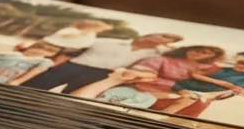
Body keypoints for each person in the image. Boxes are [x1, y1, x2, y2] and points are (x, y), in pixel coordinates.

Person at [20, 32, 184, 93]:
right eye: (162, 36)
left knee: (72, 96)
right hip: (74, 66)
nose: (161, 41)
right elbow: (70, 49)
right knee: (34, 86)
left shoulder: (155, 54)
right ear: (149, 35)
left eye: (168, 40)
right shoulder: (107, 41)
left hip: (101, 74)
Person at [152, 57, 244, 117]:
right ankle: (162, 114)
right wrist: (220, 82)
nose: (242, 70)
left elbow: (238, 90)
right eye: (241, 67)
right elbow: (196, 75)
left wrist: (235, 91)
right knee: (187, 98)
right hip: (193, 85)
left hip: (212, 93)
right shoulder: (226, 69)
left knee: (190, 99)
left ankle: (165, 115)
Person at [40, 19, 112, 51]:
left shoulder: (91, 33)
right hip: (50, 45)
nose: (100, 31)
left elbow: (88, 42)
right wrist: (81, 34)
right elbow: (65, 36)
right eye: (100, 29)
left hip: (69, 49)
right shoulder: (72, 30)